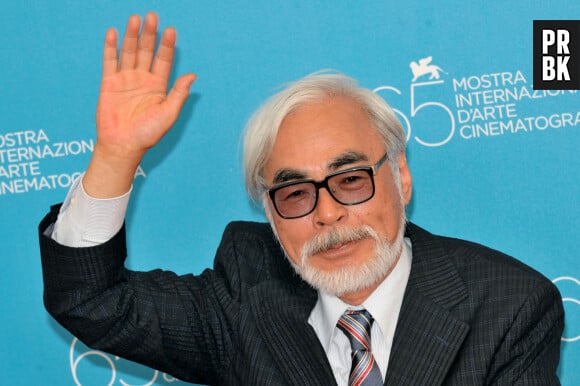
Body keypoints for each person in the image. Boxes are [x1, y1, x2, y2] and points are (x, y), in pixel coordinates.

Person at [39, 12, 564, 386]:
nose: (328, 213)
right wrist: (114, 155)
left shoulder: (509, 306)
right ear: (269, 213)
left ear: (400, 176)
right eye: (294, 193)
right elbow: (91, 301)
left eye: (352, 180)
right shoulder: (248, 291)